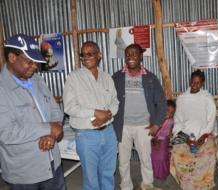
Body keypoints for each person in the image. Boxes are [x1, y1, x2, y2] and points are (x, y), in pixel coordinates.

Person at [0, 34, 65, 190]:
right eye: (30, 61)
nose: (35, 66)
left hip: (53, 164)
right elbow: (6, 132)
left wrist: (51, 134)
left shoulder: (37, 80)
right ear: (12, 57)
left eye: (36, 62)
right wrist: (47, 128)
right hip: (25, 173)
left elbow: (56, 111)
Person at [63, 41, 119, 190]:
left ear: (99, 55)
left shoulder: (107, 78)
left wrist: (107, 115)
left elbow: (115, 102)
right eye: (83, 54)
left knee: (108, 172)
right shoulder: (73, 78)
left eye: (90, 53)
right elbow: (69, 107)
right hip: (86, 135)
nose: (86, 57)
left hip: (108, 133)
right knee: (91, 177)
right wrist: (95, 113)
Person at [112, 43, 167, 190]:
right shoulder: (116, 78)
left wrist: (157, 124)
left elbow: (161, 102)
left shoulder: (150, 78)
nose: (130, 57)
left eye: (134, 54)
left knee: (145, 159)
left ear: (141, 56)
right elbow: (108, 100)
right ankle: (125, 186)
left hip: (144, 126)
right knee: (123, 160)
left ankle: (147, 185)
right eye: (128, 54)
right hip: (122, 126)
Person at [170, 70, 217, 190]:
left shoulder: (207, 98)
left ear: (203, 83)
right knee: (177, 153)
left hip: (204, 135)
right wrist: (186, 138)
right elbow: (178, 121)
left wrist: (202, 138)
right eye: (192, 82)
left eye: (198, 83)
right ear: (190, 81)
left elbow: (210, 122)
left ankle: (203, 185)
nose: (194, 85)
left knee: (209, 153)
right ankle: (188, 185)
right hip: (185, 135)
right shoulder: (182, 98)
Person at [151, 99, 176, 180]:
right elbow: (153, 130)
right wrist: (154, 140)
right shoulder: (157, 118)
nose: (169, 113)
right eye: (168, 110)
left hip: (164, 139)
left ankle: (162, 173)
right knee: (154, 156)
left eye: (172, 112)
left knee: (162, 157)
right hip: (155, 138)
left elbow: (167, 131)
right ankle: (154, 172)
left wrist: (169, 133)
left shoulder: (171, 121)